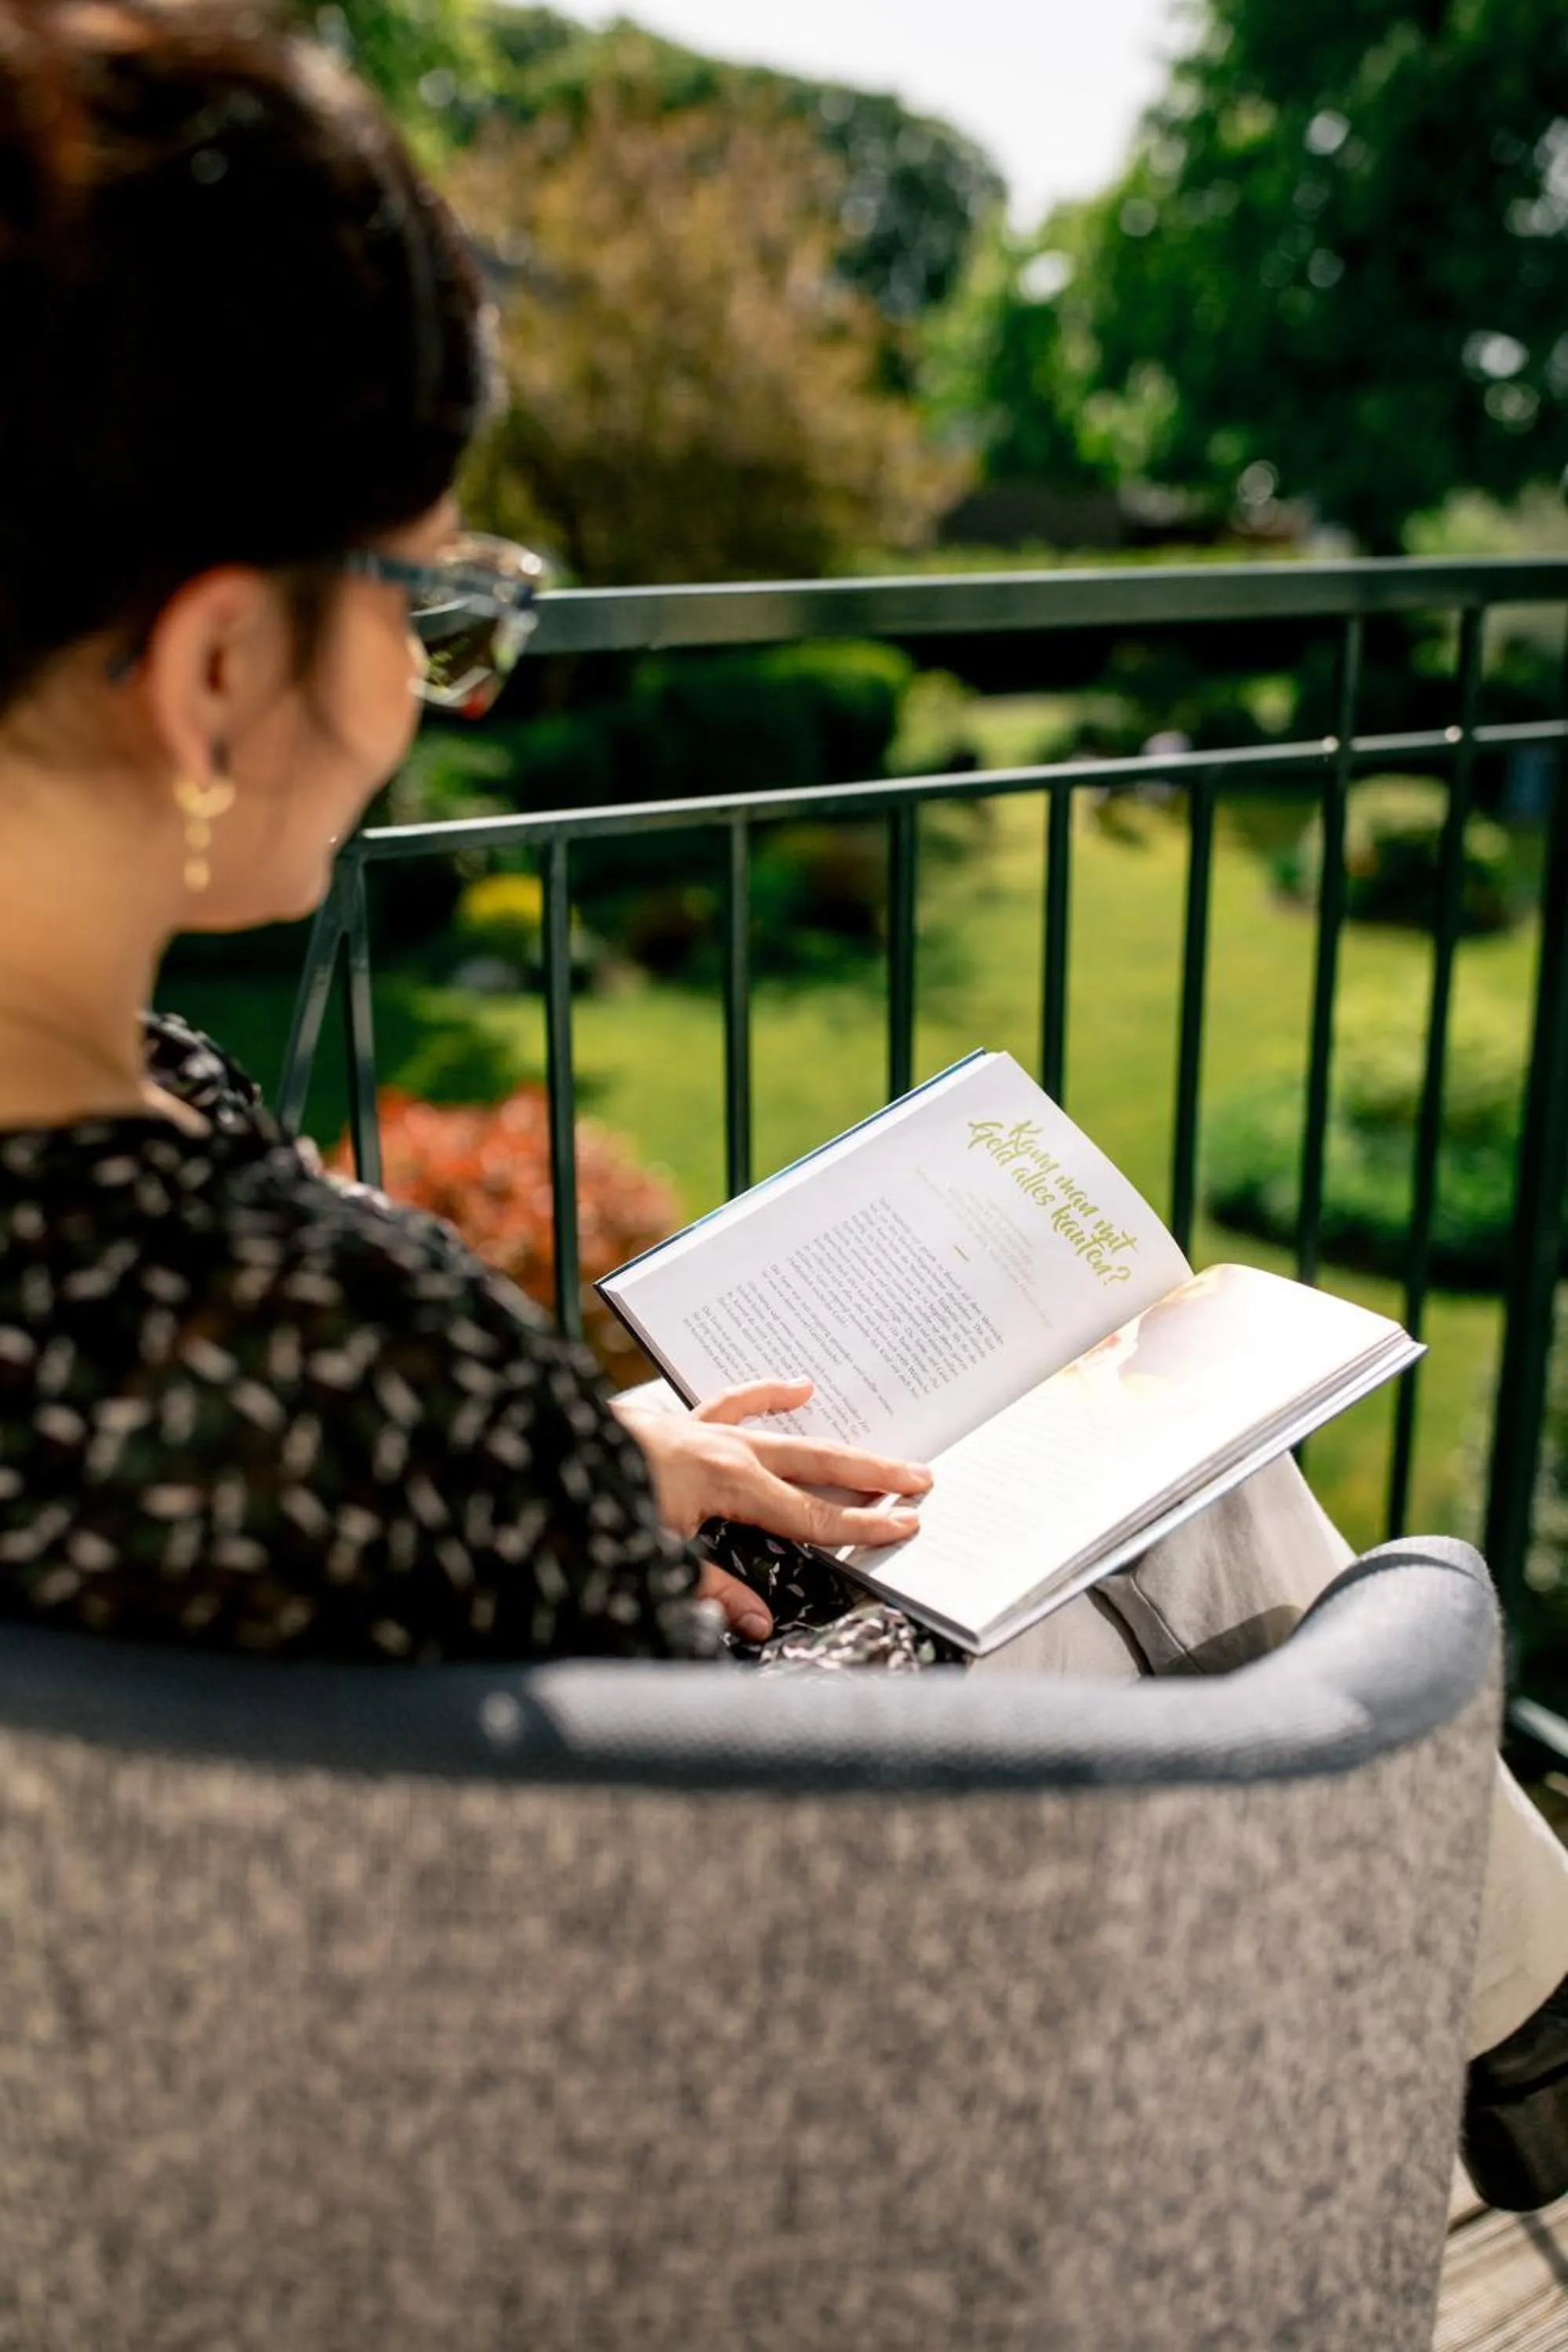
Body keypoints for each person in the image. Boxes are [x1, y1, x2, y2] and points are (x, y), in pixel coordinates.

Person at [0, 0, 1562, 2213]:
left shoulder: (192, 1209)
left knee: (1159, 1485)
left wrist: (608, 1451)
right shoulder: (337, 1347)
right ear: (223, 665)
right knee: (1192, 1524)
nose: (444, 689)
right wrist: (570, 1469)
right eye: (436, 605)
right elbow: (712, 1867)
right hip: (708, 2076)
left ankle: (1538, 2051)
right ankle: (1532, 2062)